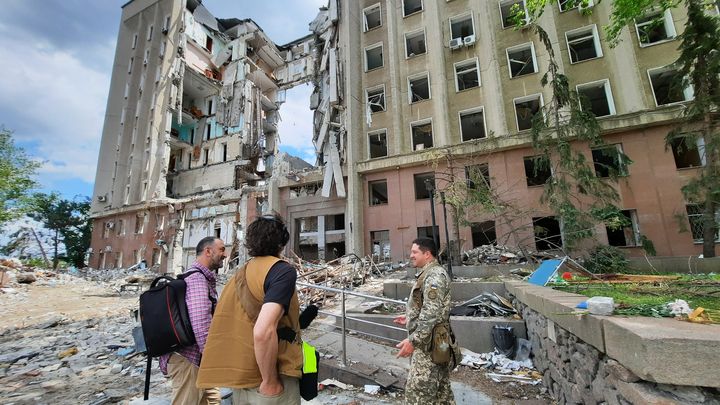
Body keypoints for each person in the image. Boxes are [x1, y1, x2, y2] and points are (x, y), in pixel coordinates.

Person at [197, 214, 302, 405]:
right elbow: (263, 331)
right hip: (270, 381)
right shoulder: (282, 270)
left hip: (241, 381)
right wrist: (270, 381)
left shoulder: (240, 274)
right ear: (282, 242)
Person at [159, 236, 225, 405]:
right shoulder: (197, 279)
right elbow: (200, 322)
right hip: (188, 359)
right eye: (222, 250)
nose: (225, 254)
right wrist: (212, 358)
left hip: (195, 359)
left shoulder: (198, 278)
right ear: (208, 251)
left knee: (213, 400)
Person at [394, 237, 455, 405]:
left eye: (415, 252)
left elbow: (431, 313)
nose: (411, 255)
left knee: (418, 395)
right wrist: (409, 317)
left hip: (428, 346)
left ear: (427, 254)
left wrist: (413, 341)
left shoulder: (434, 276)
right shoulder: (430, 273)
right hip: (437, 342)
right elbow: (429, 308)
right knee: (442, 395)